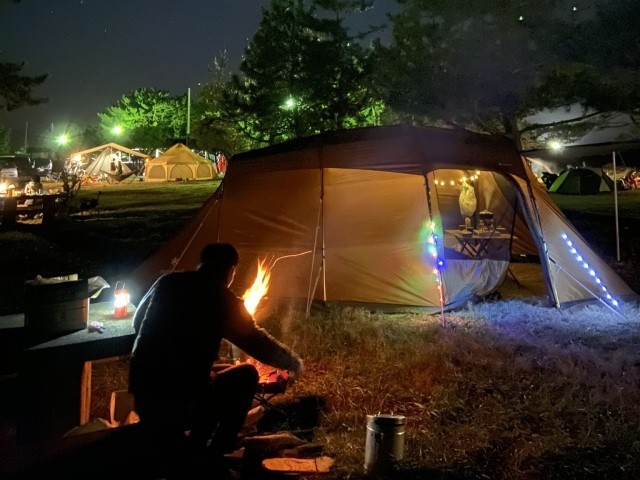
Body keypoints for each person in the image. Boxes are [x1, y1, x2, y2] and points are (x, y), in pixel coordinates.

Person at [129, 243, 303, 477]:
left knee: (217, 370)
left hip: (143, 396)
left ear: (202, 262)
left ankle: (192, 445)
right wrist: (292, 362)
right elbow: (256, 341)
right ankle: (211, 452)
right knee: (247, 374)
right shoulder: (222, 297)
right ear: (231, 270)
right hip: (178, 403)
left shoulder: (167, 282)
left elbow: (136, 322)